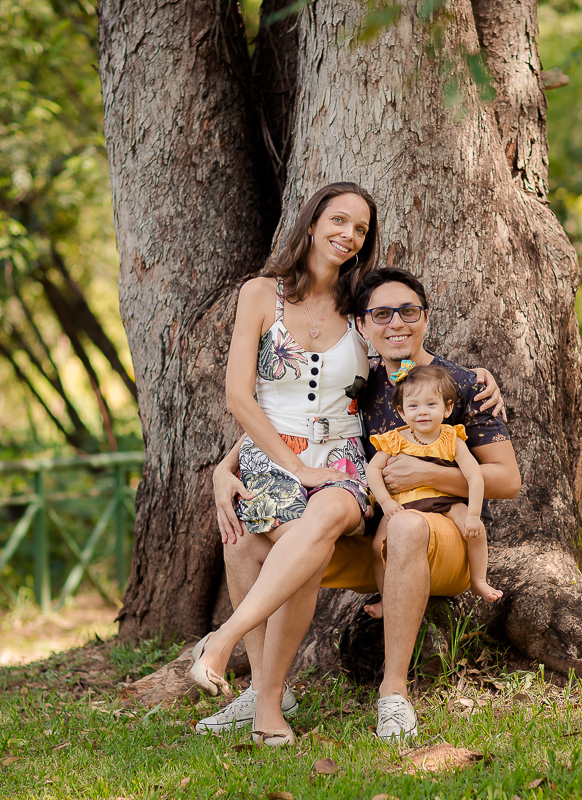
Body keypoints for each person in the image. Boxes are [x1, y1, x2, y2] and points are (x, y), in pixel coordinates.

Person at [211, 268, 520, 743]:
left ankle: (393, 695)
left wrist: (430, 475)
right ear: (362, 325)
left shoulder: (461, 384)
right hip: (374, 542)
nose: (396, 323)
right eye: (381, 313)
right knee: (245, 539)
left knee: (406, 529)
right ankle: (264, 691)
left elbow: (508, 479)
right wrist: (223, 468)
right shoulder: (362, 380)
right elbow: (297, 423)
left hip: (446, 540)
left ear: (426, 318)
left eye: (408, 312)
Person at [186, 182, 379, 747]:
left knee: (305, 532)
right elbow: (241, 399)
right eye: (338, 220)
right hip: (272, 456)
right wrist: (236, 465)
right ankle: (268, 695)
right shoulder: (260, 295)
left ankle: (236, 663)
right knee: (244, 540)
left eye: (360, 229)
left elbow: (411, 362)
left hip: (343, 459)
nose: (347, 235)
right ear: (313, 222)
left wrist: (476, 382)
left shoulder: (363, 306)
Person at [365, 363, 502, 622]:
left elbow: (474, 476)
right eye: (413, 406)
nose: (422, 412)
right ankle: (386, 598)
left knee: (477, 532)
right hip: (403, 505)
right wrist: (384, 502)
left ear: (447, 408)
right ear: (401, 411)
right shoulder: (395, 439)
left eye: (431, 404)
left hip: (446, 502)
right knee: (376, 548)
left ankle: (478, 579)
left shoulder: (452, 439)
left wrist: (473, 514)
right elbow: (373, 471)